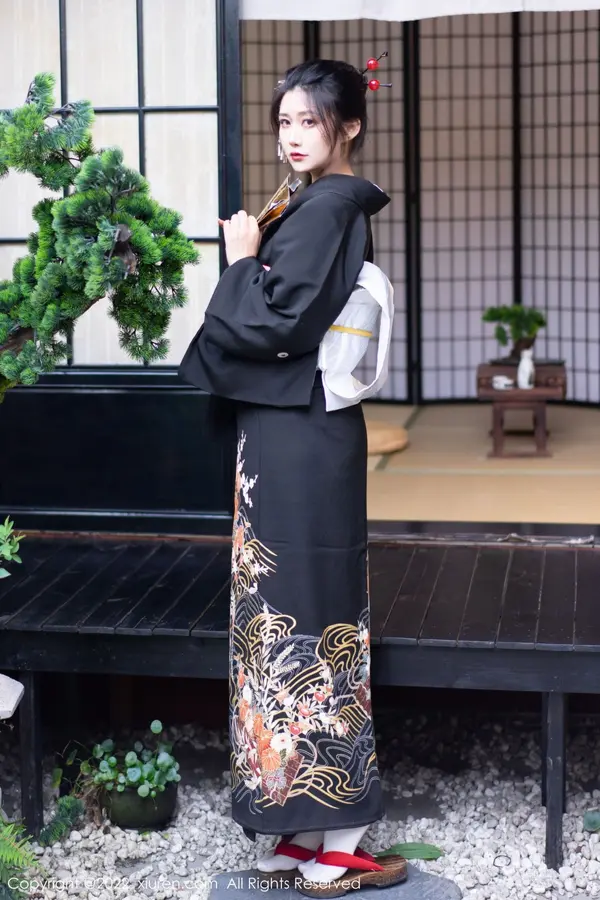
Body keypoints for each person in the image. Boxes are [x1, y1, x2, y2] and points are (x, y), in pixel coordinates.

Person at [179, 57, 406, 897]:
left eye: (310, 121)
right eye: (284, 121)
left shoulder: (328, 206)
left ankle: (330, 833)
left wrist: (241, 261)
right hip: (288, 436)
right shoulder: (310, 206)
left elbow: (279, 323)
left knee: (309, 613)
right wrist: (252, 257)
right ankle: (298, 829)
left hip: (303, 440)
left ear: (349, 126)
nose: (293, 136)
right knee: (284, 619)